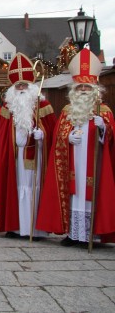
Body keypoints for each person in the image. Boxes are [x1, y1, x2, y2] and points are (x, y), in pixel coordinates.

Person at [37, 48, 115, 247]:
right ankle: (73, 233)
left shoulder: (103, 113)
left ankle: (91, 234)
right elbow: (59, 136)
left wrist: (103, 129)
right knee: (74, 196)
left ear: (94, 88)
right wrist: (68, 137)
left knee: (90, 196)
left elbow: (111, 140)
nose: (83, 91)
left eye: (87, 87)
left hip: (93, 164)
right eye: (80, 87)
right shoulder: (67, 111)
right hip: (73, 164)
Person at [0, 53, 56, 240]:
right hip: (16, 156)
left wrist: (43, 135)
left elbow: (53, 131)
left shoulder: (43, 104)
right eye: (18, 86)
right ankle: (15, 227)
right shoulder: (8, 106)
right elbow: (2, 133)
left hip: (36, 157)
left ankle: (35, 229)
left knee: (34, 189)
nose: (21, 89)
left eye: (24, 85)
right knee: (16, 189)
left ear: (31, 86)